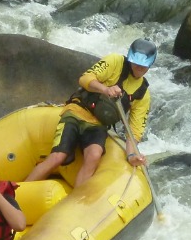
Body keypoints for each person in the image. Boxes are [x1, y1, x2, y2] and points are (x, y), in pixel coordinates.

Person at [25, 37, 156, 186]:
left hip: (97, 125)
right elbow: (85, 78)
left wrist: (132, 155)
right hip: (77, 111)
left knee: (94, 155)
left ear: (150, 64)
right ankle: (18, 193)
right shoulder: (115, 61)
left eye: (143, 65)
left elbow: (134, 131)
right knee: (59, 156)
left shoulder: (143, 94)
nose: (139, 68)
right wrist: (105, 89)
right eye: (136, 63)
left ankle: (76, 202)